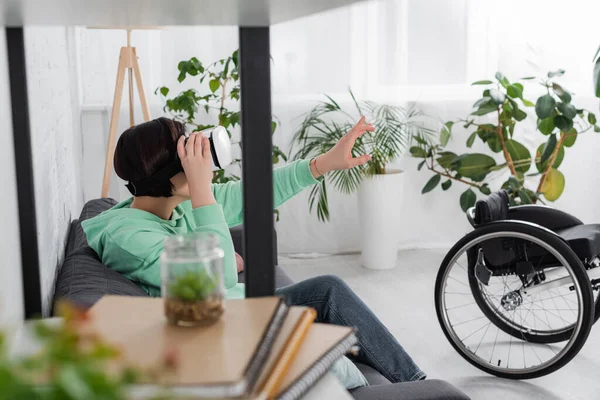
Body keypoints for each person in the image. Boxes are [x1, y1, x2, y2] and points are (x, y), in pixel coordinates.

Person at [82, 117, 425, 385]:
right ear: (168, 176)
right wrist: (202, 191)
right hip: (226, 327)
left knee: (328, 289)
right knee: (327, 296)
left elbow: (252, 195)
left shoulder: (171, 205)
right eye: (186, 155)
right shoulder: (127, 236)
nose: (198, 158)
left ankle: (415, 384)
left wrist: (322, 164)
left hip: (238, 307)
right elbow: (219, 277)